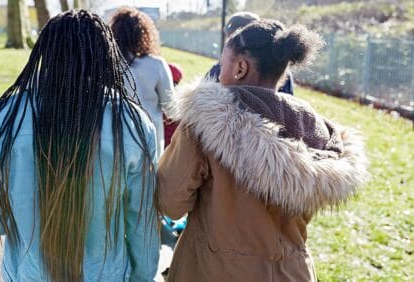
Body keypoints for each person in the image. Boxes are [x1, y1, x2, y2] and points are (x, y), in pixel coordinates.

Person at [158, 19, 368, 281]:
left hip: (214, 270)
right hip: (293, 272)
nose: (219, 72)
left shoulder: (204, 123)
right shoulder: (313, 127)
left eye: (222, 63)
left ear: (240, 67)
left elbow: (170, 202)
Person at [0, 10, 160, 281]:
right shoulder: (131, 124)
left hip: (27, 274)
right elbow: (142, 223)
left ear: (44, 53)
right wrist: (142, 276)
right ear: (105, 56)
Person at [110, 7, 174, 157]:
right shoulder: (156, 65)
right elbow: (171, 109)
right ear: (144, 34)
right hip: (150, 143)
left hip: (117, 142)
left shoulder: (108, 65)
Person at [206, 12, 295, 95]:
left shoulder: (278, 71)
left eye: (237, 38)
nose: (231, 43)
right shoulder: (219, 68)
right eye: (229, 37)